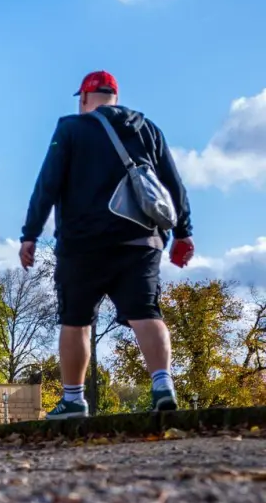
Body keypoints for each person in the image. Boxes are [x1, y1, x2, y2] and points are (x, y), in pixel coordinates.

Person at [21, 71, 195, 419]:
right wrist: (184, 232)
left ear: (84, 98)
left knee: (76, 319)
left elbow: (48, 184)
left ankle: (73, 400)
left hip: (83, 243)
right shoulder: (148, 129)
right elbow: (173, 184)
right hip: (141, 240)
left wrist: (30, 233)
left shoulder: (71, 128)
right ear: (114, 96)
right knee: (146, 311)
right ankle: (163, 386)